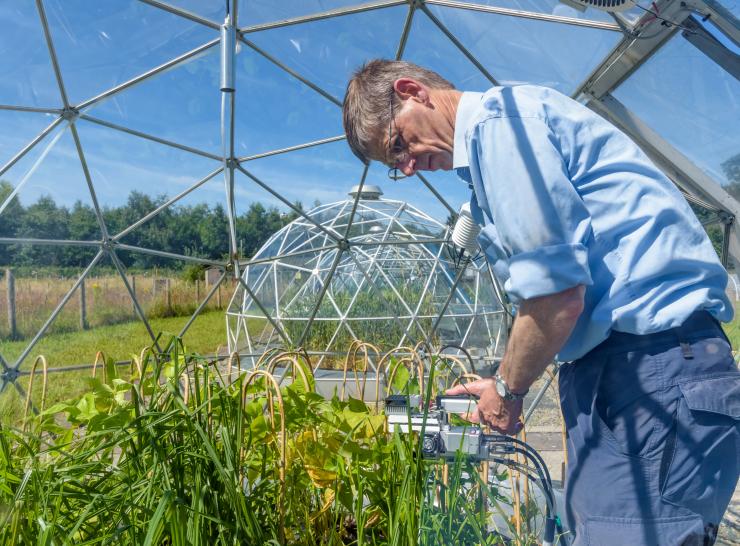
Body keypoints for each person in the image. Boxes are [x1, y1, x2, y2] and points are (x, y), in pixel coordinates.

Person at [342, 59, 740, 545]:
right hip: (628, 370)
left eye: (398, 145)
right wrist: (501, 380)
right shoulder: (501, 141)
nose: (407, 165)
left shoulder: (501, 126)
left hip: (651, 368)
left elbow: (555, 296)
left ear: (413, 92)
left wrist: (508, 393)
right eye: (395, 167)